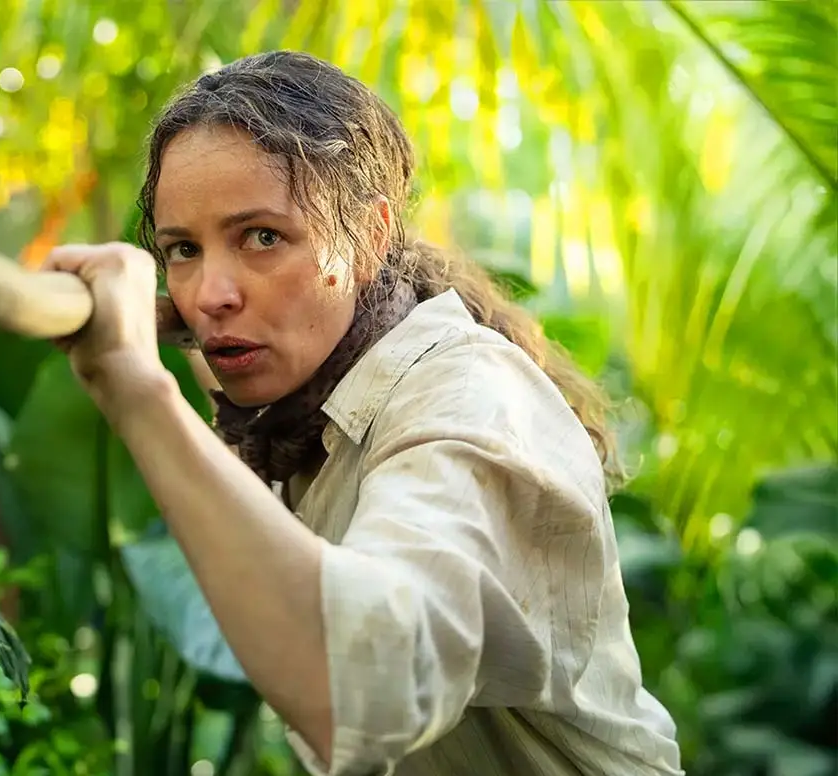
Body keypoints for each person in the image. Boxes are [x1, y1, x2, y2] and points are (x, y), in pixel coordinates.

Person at [44, 50, 684, 776]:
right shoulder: (298, 419)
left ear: (372, 235)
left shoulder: (472, 397)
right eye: (182, 250)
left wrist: (134, 382)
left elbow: (365, 691)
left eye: (262, 237)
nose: (210, 295)